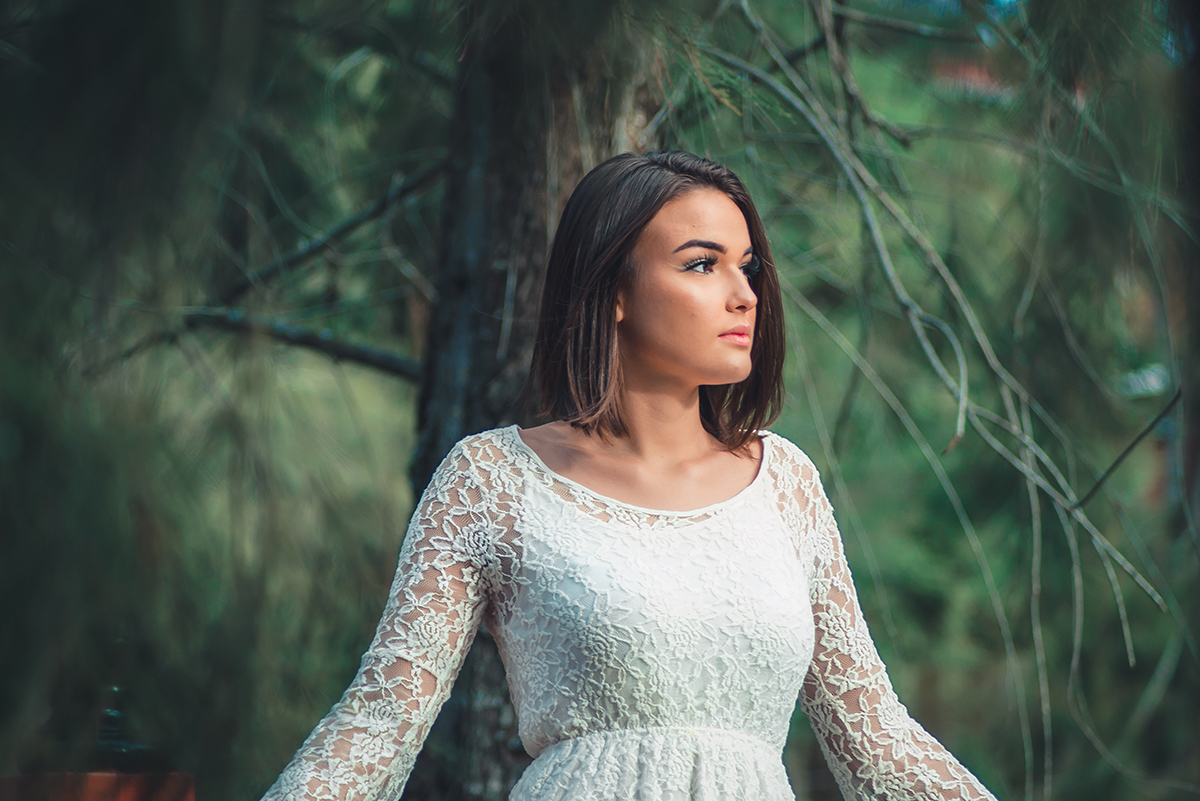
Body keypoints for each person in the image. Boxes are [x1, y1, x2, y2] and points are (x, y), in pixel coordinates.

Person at [259, 152, 998, 800]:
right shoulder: (490, 480)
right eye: (702, 264)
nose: (744, 294)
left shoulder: (787, 484)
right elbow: (379, 725)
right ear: (612, 289)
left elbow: (881, 747)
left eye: (749, 266)